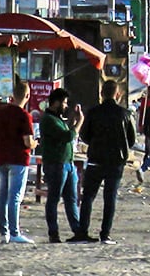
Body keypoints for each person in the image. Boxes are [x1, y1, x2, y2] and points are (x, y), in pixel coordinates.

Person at [74, 80, 136, 245]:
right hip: (116, 161)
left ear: (101, 93)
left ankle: (82, 231)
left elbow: (85, 135)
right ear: (117, 94)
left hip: (96, 159)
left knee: (88, 196)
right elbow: (131, 139)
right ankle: (105, 234)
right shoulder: (126, 114)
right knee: (110, 198)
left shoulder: (93, 112)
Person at [0, 80, 37, 244]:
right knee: (15, 196)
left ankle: (3, 232)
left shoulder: (1, 112)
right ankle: (14, 232)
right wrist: (35, 143)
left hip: (2, 156)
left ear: (13, 95)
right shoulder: (25, 116)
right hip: (18, 158)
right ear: (27, 95)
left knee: (2, 195)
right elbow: (27, 141)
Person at [40, 88, 84, 243]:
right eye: (64, 102)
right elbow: (67, 136)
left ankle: (78, 231)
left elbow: (67, 133)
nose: (66, 106)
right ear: (56, 102)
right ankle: (54, 233)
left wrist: (73, 121)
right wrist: (80, 122)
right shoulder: (48, 120)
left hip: (68, 164)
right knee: (53, 198)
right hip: (56, 164)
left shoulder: (58, 119)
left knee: (72, 199)